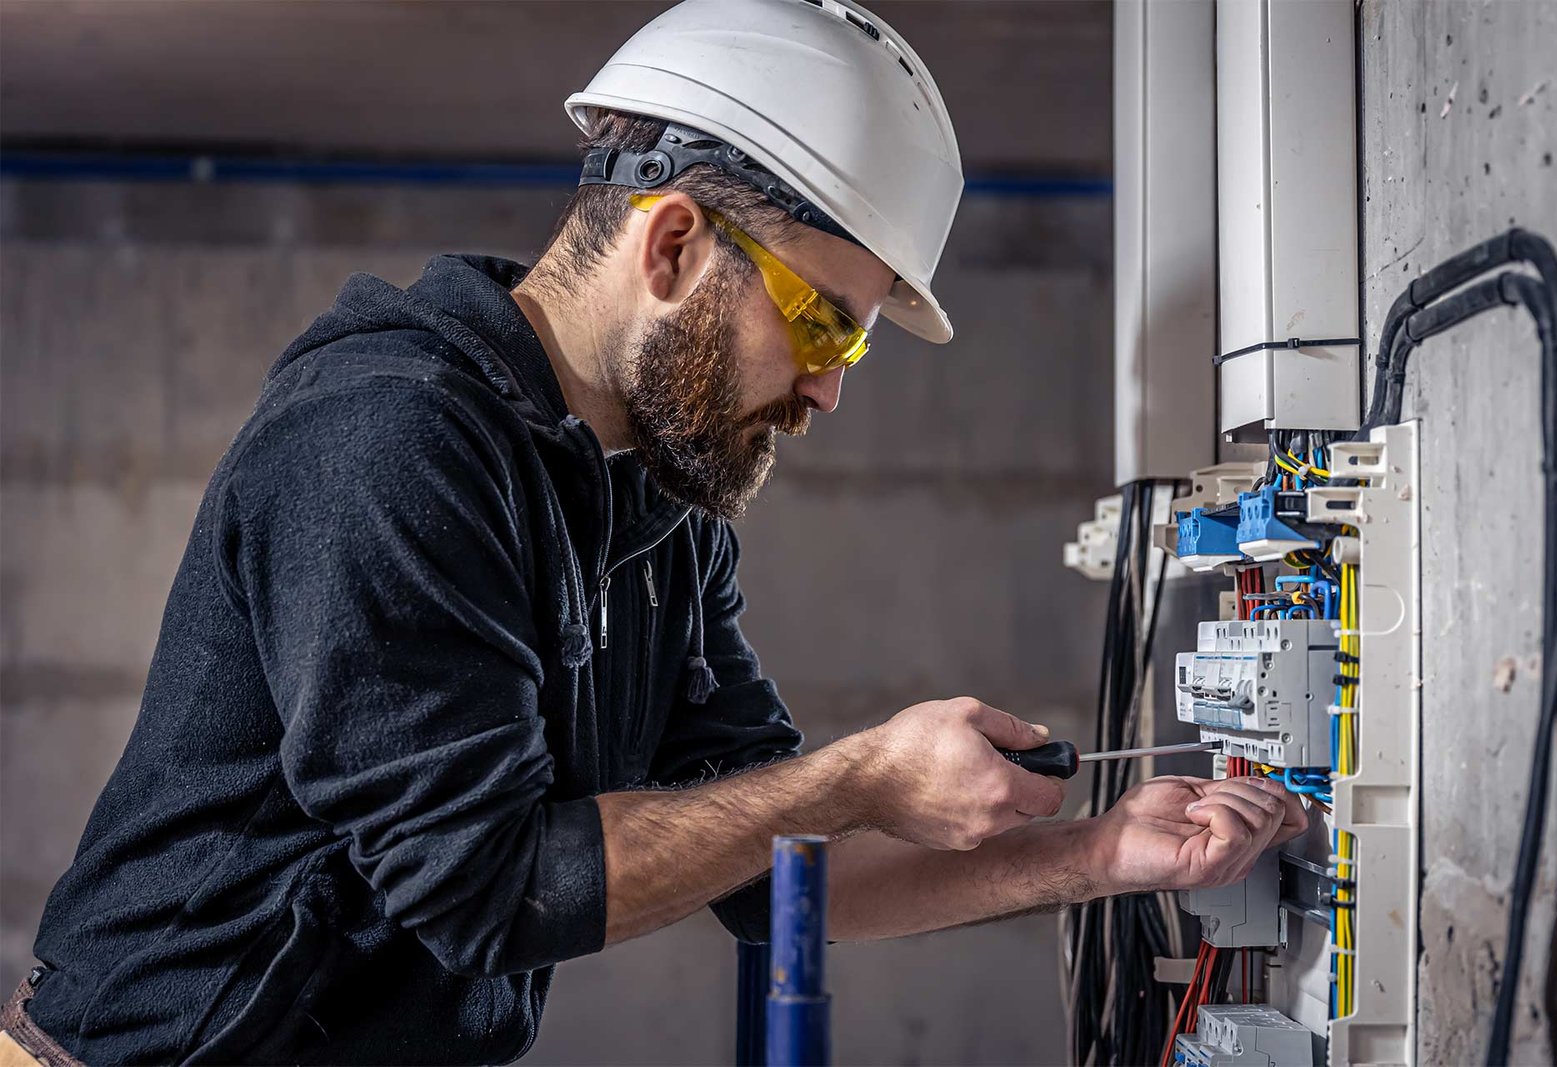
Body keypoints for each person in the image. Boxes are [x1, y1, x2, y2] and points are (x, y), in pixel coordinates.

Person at [5, 1, 1306, 1062]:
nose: (828, 389)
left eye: (852, 344)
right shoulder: (389, 440)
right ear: (674, 242)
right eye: (823, 322)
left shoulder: (663, 512)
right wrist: (857, 775)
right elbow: (484, 887)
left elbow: (773, 879)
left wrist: (1099, 853)